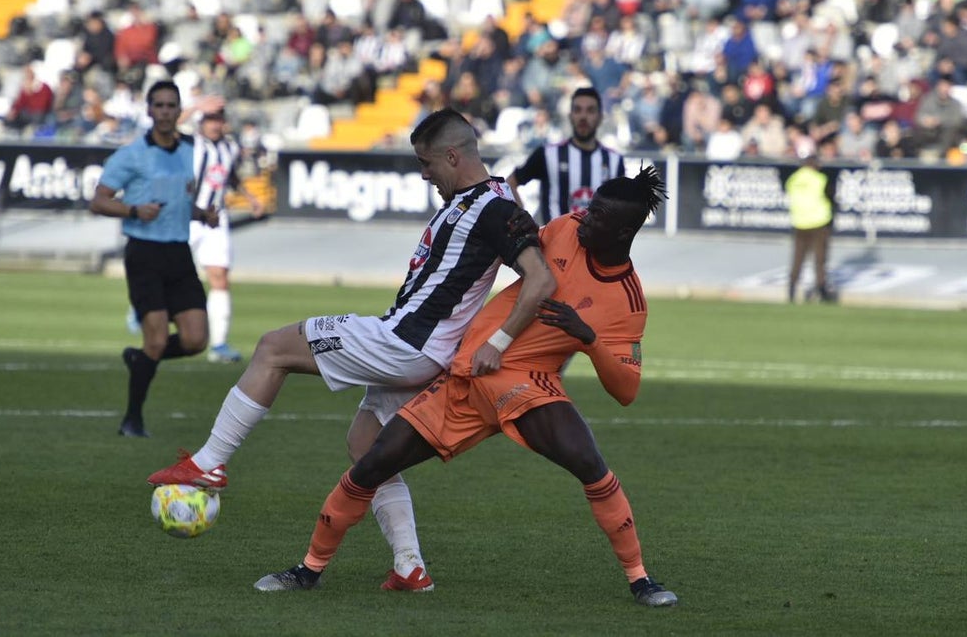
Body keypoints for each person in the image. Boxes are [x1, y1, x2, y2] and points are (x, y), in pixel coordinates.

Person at [148, 108, 554, 592]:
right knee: (365, 448)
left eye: (427, 164)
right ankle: (410, 567)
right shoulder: (486, 199)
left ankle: (209, 462)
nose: (424, 174)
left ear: (452, 155)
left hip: (404, 342)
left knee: (273, 347)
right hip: (419, 349)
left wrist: (499, 342)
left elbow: (541, 279)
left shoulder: (494, 207)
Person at [251, 167, 678, 608]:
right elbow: (528, 249)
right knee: (372, 463)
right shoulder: (567, 228)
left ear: (626, 230)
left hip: (529, 384)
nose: (584, 216)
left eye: (599, 214)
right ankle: (308, 570)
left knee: (591, 464)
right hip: (467, 376)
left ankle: (641, 579)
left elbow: (626, 389)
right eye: (590, 207)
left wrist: (588, 338)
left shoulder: (628, 301)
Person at [89, 81, 219, 438]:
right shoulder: (131, 155)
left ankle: (140, 359)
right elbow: (98, 201)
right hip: (144, 253)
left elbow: (178, 200)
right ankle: (132, 419)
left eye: (170, 105)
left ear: (179, 111)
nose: (164, 111)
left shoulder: (188, 151)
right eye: (158, 105)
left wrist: (201, 214)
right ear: (149, 111)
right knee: (158, 339)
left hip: (178, 253)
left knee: (196, 340)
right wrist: (132, 208)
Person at [190, 109, 266, 363]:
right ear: (201, 122)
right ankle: (142, 306)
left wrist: (249, 197)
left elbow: (230, 175)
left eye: (218, 120)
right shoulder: (191, 143)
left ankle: (219, 343)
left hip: (215, 218)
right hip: (186, 215)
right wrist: (196, 105)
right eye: (210, 119)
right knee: (166, 268)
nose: (215, 125)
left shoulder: (229, 147)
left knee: (220, 276)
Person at [508, 87, 625, 223]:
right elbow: (510, 184)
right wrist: (524, 223)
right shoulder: (547, 154)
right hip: (554, 243)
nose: (583, 116)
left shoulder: (614, 161)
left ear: (600, 117)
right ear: (570, 116)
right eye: (577, 110)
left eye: (590, 111)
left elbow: (622, 206)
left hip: (600, 244)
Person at [785, 152, 835, 304]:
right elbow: (830, 197)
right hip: (818, 222)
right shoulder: (819, 179)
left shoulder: (794, 179)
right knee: (820, 259)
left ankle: (792, 289)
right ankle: (821, 289)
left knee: (798, 258)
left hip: (799, 222)